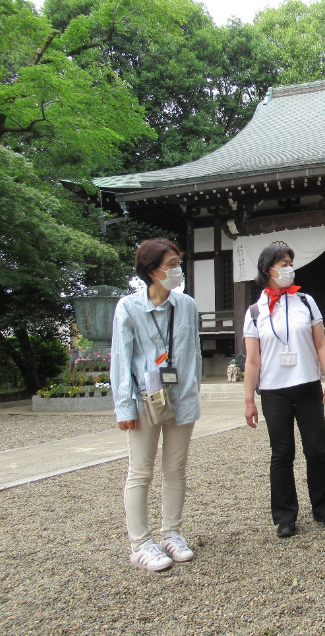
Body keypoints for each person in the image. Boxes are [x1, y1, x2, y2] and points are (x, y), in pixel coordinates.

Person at [111, 238, 202, 572]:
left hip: (181, 398)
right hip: (143, 398)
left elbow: (194, 353)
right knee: (140, 471)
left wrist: (193, 392)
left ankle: (171, 533)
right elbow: (121, 356)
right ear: (152, 271)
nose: (178, 269)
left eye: (179, 262)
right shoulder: (129, 307)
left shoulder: (187, 306)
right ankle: (139, 543)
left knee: (175, 469)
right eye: (172, 264)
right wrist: (123, 406)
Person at [243, 244, 325, 538]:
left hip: (307, 385)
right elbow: (252, 359)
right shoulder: (254, 311)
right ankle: (285, 516)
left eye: (290, 263)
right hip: (273, 391)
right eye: (282, 263)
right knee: (282, 453)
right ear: (267, 270)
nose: (288, 268)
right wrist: (249, 400)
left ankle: (324, 509)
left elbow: (321, 344)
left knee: (316, 449)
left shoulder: (306, 302)